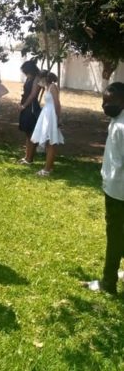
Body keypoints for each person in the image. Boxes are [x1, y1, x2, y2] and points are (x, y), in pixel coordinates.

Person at [83, 82, 124, 295]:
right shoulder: (117, 120)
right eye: (104, 101)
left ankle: (108, 282)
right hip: (114, 187)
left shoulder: (121, 126)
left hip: (118, 192)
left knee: (114, 236)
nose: (104, 106)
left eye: (110, 102)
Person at [31, 70, 64, 176]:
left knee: (51, 142)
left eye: (40, 79)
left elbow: (57, 104)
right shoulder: (47, 87)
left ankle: (47, 169)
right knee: (49, 142)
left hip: (51, 115)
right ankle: (49, 166)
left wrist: (58, 118)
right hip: (47, 114)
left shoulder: (53, 87)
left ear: (45, 78)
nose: (39, 81)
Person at [18, 60, 42, 164]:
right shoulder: (29, 78)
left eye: (25, 71)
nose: (25, 74)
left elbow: (33, 95)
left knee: (32, 133)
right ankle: (26, 156)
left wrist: (24, 105)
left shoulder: (37, 79)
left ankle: (30, 158)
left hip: (31, 107)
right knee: (27, 133)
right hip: (25, 105)